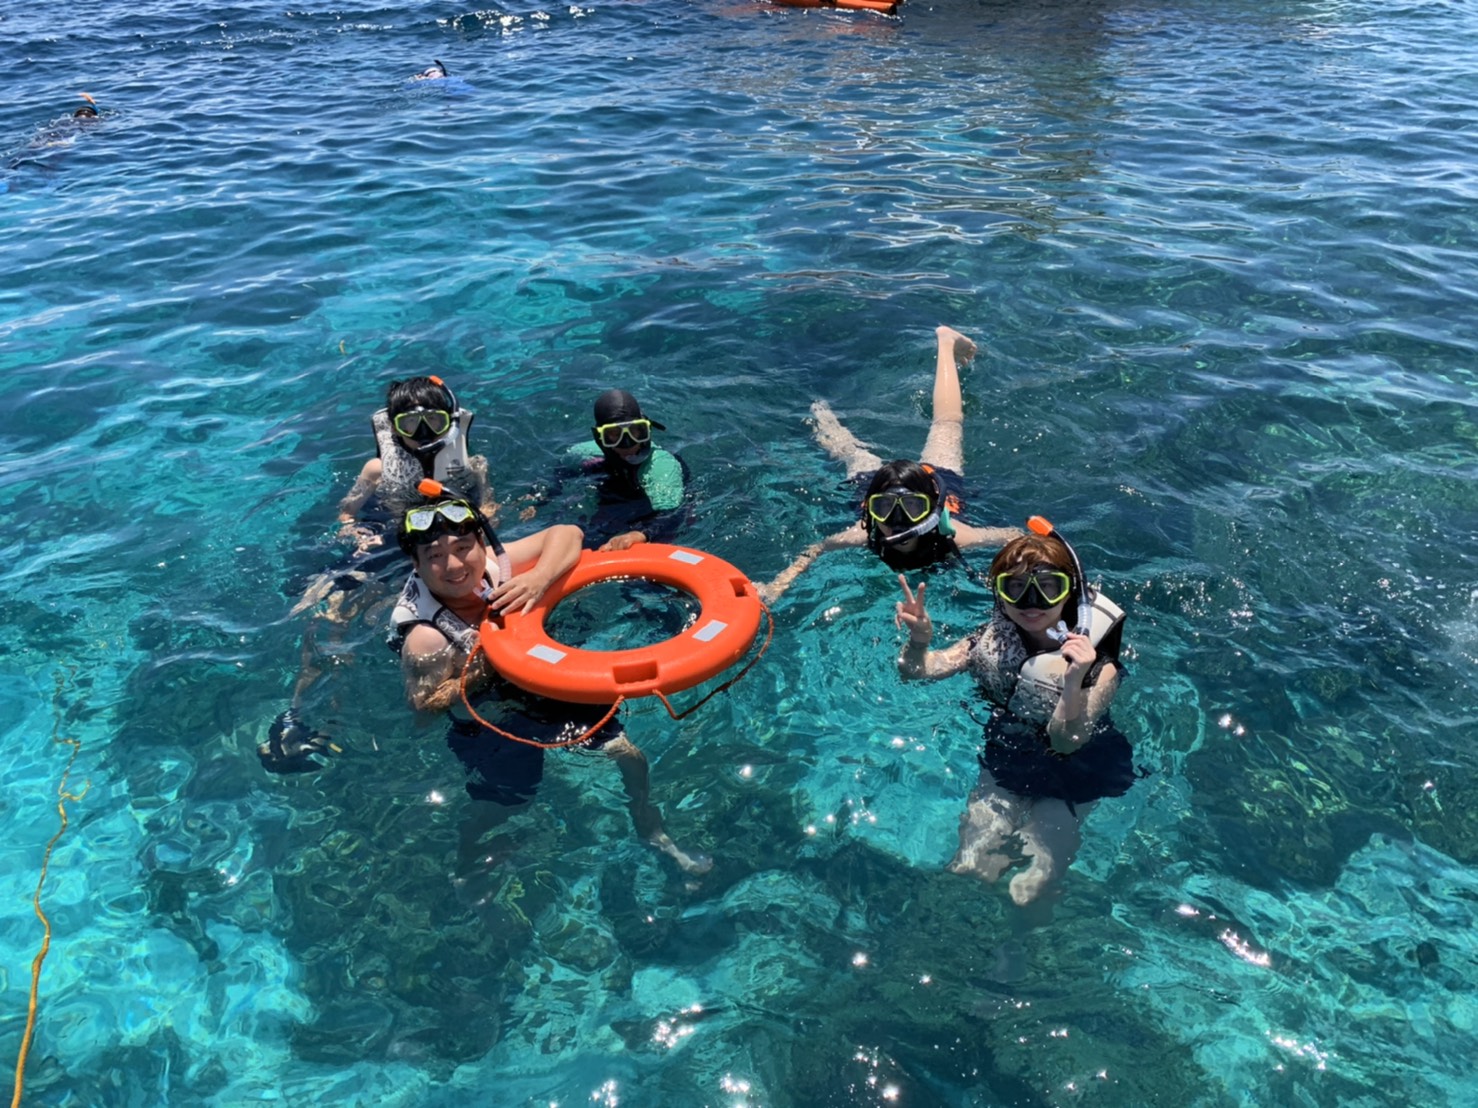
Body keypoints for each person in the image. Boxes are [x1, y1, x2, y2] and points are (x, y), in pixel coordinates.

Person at [387, 484, 713, 874]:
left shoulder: (490, 564)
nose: (455, 565)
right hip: (490, 718)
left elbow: (568, 533)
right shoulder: (426, 639)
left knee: (629, 757)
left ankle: (649, 826)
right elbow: (423, 709)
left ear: (480, 544)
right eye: (435, 556)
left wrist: (539, 578)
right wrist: (488, 666)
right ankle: (470, 853)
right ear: (416, 564)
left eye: (462, 548)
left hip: (536, 679)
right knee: (514, 800)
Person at [893, 522, 1136, 975]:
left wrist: (1072, 682)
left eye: (1048, 588)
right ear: (1000, 595)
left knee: (1032, 882)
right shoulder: (987, 640)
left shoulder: (1099, 667)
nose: (1031, 602)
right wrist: (918, 642)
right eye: (1015, 588)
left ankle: (1019, 958)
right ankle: (947, 962)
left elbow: (1067, 741)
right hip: (1011, 754)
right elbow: (918, 673)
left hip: (1080, 770)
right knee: (970, 864)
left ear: (1070, 594)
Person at [760, 326, 1018, 602]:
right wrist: (776, 587)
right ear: (872, 511)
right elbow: (816, 550)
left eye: (913, 507)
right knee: (848, 449)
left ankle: (946, 342)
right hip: (873, 480)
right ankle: (812, 399)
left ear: (931, 509)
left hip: (937, 477)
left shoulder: (955, 537)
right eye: (884, 508)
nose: (898, 520)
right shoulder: (864, 534)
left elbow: (1013, 535)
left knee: (947, 423)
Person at [336, 375, 494, 552]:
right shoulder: (376, 470)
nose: (423, 430)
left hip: (453, 526)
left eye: (433, 419)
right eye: (410, 421)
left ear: (449, 423)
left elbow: (487, 507)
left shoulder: (474, 465)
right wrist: (359, 535)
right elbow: (346, 515)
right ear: (394, 427)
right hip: (396, 531)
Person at [556, 388, 691, 552]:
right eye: (614, 434)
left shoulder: (660, 465)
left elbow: (673, 515)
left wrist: (639, 534)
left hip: (652, 515)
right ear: (600, 438)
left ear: (645, 430)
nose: (628, 443)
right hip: (613, 501)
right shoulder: (586, 453)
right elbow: (561, 469)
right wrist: (542, 496)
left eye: (635, 431)